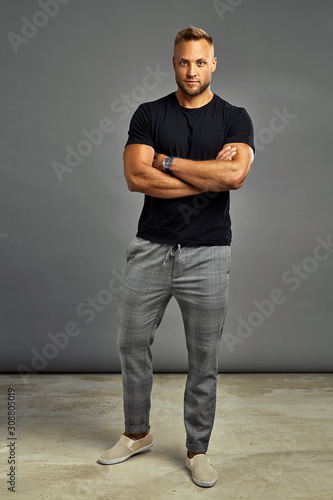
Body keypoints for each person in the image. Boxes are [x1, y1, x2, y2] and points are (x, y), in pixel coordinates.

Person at [98, 26, 254, 488]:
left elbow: (236, 175)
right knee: (130, 343)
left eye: (200, 62)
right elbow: (133, 177)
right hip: (150, 248)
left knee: (203, 356)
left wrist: (165, 162)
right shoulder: (149, 113)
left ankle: (197, 449)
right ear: (173, 63)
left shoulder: (234, 118)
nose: (191, 71)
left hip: (208, 252)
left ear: (213, 64)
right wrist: (209, 176)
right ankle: (136, 432)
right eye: (184, 62)